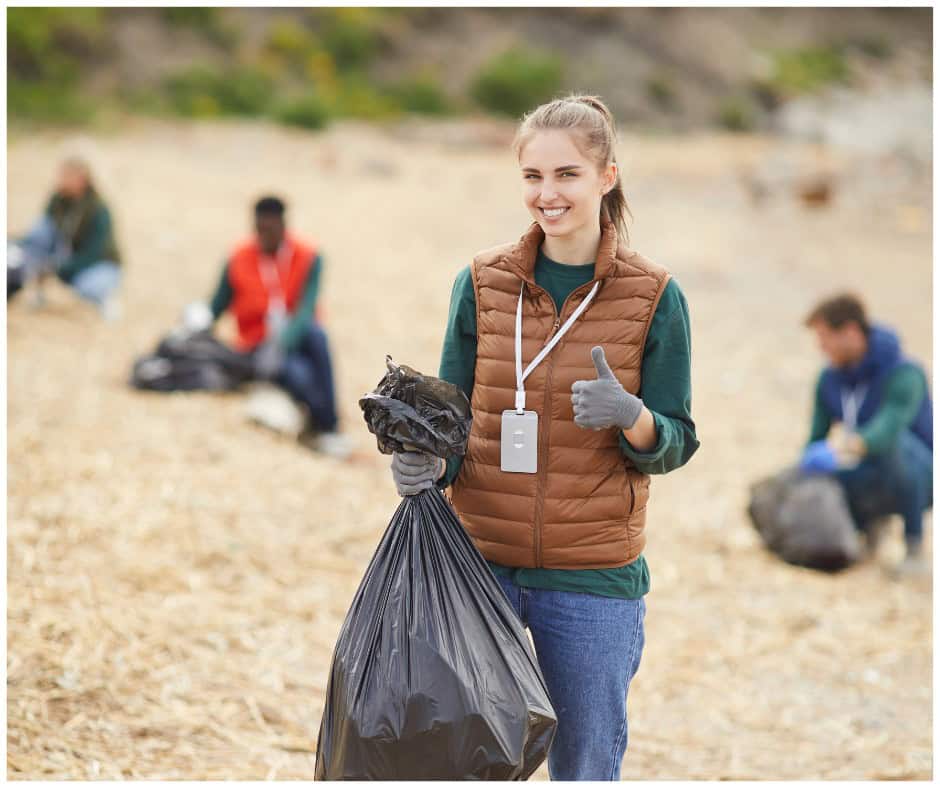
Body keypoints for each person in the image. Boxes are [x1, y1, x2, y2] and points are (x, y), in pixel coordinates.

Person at [390, 95, 699, 780]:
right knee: (459, 761)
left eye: (567, 175)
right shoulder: (481, 283)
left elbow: (677, 439)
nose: (548, 194)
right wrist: (421, 465)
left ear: (606, 177)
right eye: (533, 176)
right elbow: (451, 420)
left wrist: (633, 416)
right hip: (477, 567)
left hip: (590, 578)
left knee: (585, 766)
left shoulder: (653, 296)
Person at [205, 196, 353, 459]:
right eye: (259, 229)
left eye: (270, 230)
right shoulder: (238, 258)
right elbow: (217, 305)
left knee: (318, 335)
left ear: (284, 226)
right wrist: (196, 325)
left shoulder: (309, 256)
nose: (264, 236)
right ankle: (326, 426)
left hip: (297, 337)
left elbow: (306, 309)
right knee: (300, 373)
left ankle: (330, 427)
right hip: (258, 346)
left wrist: (283, 343)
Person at [801, 293, 933, 577]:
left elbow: (887, 429)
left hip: (922, 471)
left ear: (850, 332)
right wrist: (810, 462)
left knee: (893, 447)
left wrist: (844, 448)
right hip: (867, 468)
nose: (821, 347)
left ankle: (914, 546)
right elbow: (816, 438)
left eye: (825, 338)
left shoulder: (905, 373)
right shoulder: (829, 380)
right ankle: (867, 532)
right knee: (818, 471)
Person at [7, 156, 122, 318]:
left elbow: (94, 253)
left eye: (67, 175)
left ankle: (105, 299)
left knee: (91, 287)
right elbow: (41, 234)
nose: (60, 179)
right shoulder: (58, 199)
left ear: (82, 178)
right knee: (30, 243)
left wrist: (60, 267)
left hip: (96, 263)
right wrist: (16, 243)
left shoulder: (99, 209)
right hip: (63, 255)